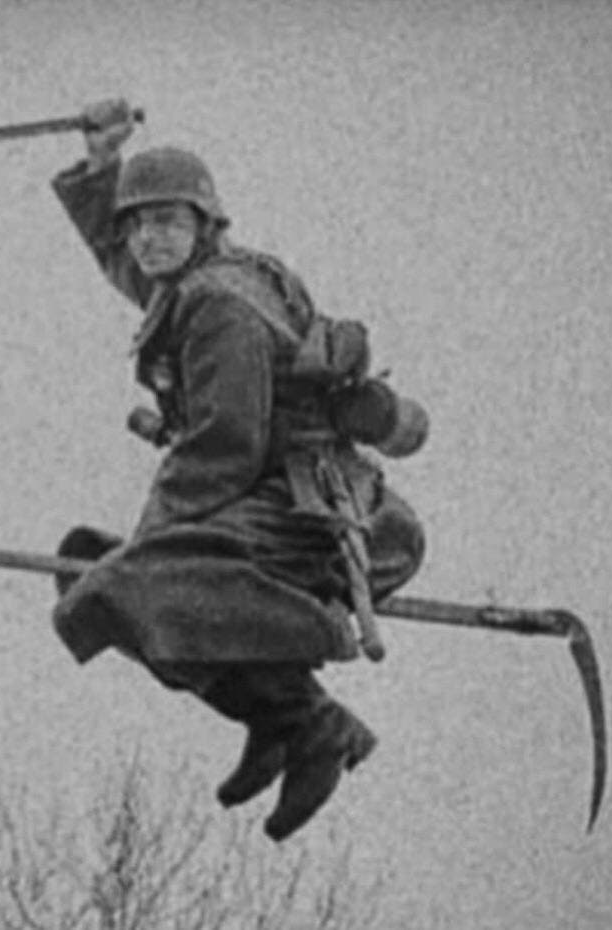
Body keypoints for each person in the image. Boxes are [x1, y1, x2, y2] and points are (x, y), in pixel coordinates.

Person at [49, 98, 426, 841]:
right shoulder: (191, 281)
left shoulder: (220, 305)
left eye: (166, 221)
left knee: (128, 585)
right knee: (88, 566)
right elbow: (125, 265)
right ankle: (276, 720)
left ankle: (311, 725)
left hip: (317, 519)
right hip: (274, 502)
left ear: (204, 225)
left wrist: (152, 542)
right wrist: (102, 164)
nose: (147, 238)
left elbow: (225, 443)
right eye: (136, 223)